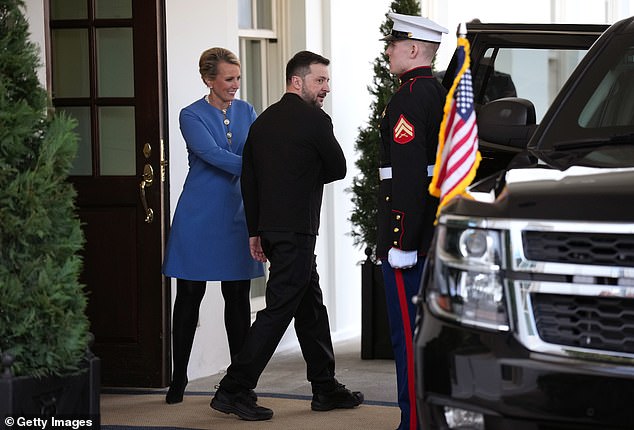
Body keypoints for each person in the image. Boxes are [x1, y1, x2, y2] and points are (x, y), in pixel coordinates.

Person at [210, 50, 363, 421]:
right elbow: (339, 168)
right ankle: (234, 388)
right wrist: (306, 176)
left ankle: (325, 387)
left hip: (272, 230)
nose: (326, 87)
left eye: (327, 80)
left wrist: (255, 230)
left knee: (310, 305)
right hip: (297, 230)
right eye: (319, 80)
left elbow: (250, 179)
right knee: (278, 310)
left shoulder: (262, 122)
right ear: (297, 81)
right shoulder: (315, 121)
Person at [162, 47, 264, 404]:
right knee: (189, 295)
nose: (236, 85)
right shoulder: (190, 114)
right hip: (199, 215)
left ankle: (238, 382)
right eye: (229, 79)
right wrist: (255, 169)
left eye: (238, 78)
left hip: (238, 215)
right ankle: (179, 379)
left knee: (237, 297)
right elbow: (211, 154)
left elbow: (256, 152)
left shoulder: (247, 111)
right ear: (209, 79)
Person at [377, 13, 448, 430]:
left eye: (394, 43)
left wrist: (401, 242)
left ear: (414, 49)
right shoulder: (437, 91)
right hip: (432, 229)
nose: (388, 50)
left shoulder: (407, 97)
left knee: (408, 335)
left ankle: (414, 423)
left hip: (411, 239)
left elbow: (405, 178)